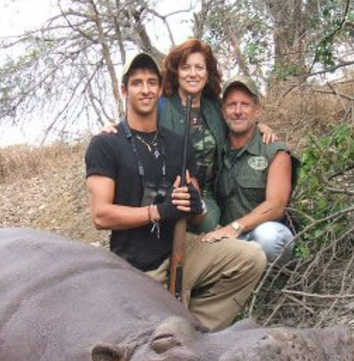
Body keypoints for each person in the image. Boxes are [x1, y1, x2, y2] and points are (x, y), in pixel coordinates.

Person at [86, 53, 266, 332]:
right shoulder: (105, 144)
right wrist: (157, 212)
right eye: (136, 83)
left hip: (183, 251)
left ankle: (197, 331)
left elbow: (193, 212)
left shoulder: (178, 144)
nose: (145, 90)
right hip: (138, 267)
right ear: (124, 90)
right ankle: (173, 335)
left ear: (160, 89)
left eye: (151, 82)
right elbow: (101, 215)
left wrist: (195, 207)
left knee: (251, 258)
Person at [101, 39, 277, 233]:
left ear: (207, 72)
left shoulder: (214, 108)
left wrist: (261, 126)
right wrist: (111, 129)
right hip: (167, 195)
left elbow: (239, 117)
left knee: (209, 227)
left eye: (199, 67)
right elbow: (134, 125)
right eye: (186, 67)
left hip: (207, 200)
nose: (193, 73)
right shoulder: (161, 105)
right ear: (177, 72)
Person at [199, 76, 298, 265]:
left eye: (245, 104)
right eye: (231, 105)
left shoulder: (274, 150)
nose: (238, 111)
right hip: (225, 237)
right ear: (223, 111)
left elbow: (276, 205)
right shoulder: (215, 148)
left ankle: (272, 284)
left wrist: (236, 227)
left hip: (254, 233)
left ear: (257, 110)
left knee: (271, 237)